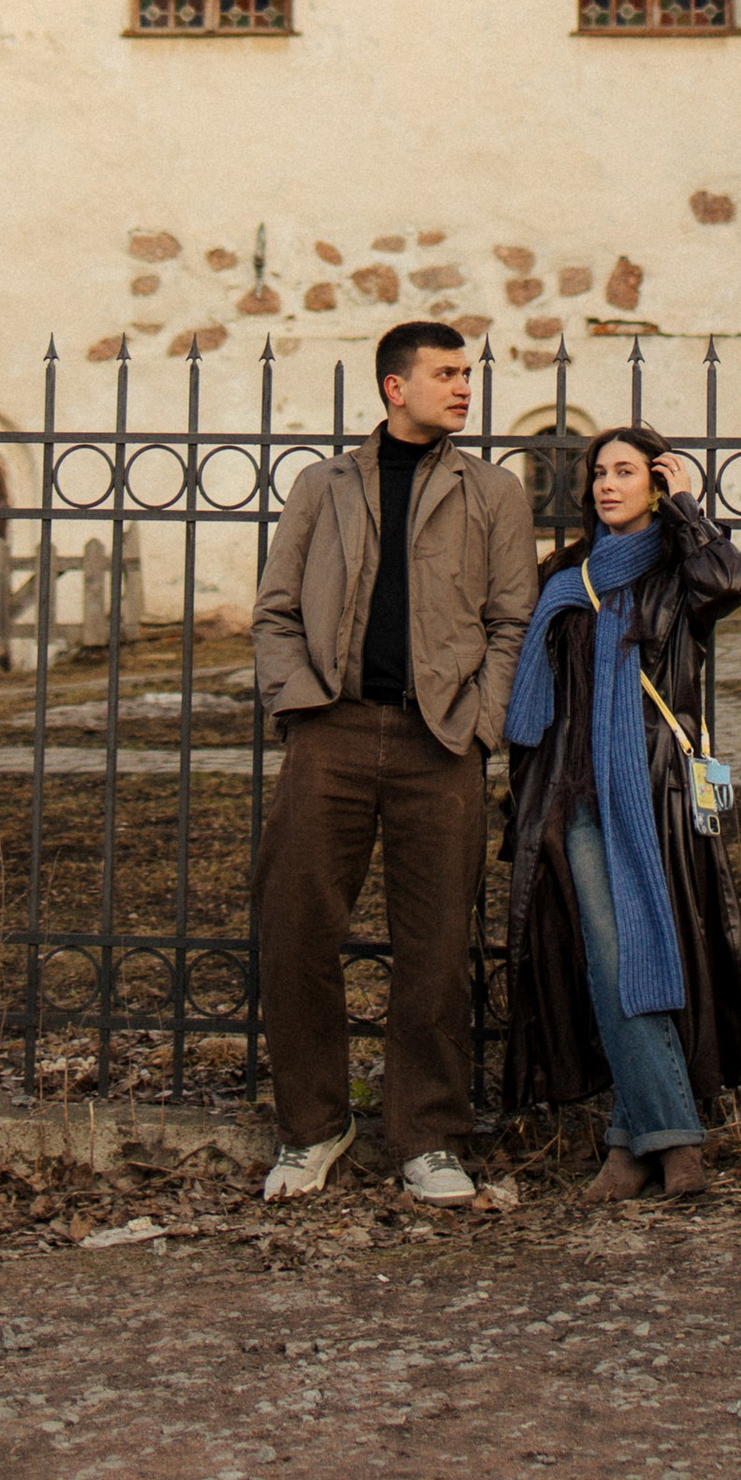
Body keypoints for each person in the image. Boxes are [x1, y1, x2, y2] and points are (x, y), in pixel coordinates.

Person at [250, 319, 537, 1204]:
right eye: (446, 374)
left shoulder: (493, 493)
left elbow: (511, 622)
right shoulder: (321, 485)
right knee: (296, 930)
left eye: (467, 374)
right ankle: (314, 1126)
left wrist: (480, 723)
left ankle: (430, 1136)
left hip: (440, 741)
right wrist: (301, 703)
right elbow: (274, 612)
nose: (463, 388)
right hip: (331, 733)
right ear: (394, 387)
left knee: (438, 945)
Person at [499, 422, 741, 1199]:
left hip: (656, 792)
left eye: (626, 472)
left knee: (662, 953)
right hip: (574, 795)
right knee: (614, 956)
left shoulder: (682, 574)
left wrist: (689, 507)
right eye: (598, 474)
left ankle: (631, 1139)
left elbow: (730, 583)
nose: (607, 485)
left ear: (655, 483)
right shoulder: (566, 575)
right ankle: (676, 1137)